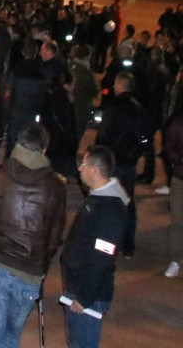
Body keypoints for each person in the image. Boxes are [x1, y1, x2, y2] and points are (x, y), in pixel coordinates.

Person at [0, 122, 66, 348]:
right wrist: (42, 263)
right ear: (44, 149)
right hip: (31, 271)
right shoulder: (55, 186)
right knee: (12, 334)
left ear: (18, 143)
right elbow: (55, 236)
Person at [60, 146, 130, 348]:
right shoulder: (97, 198)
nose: (79, 169)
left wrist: (84, 298)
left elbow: (102, 257)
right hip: (79, 286)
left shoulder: (109, 210)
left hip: (88, 296)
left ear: (94, 170)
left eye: (83, 165)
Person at [95, 71, 145, 257]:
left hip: (113, 160)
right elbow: (145, 136)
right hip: (129, 162)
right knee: (127, 201)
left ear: (120, 85)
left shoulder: (114, 107)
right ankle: (128, 244)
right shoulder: (139, 108)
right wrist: (137, 152)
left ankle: (107, 245)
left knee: (109, 203)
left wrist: (100, 153)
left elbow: (104, 134)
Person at [161, 98, 183, 278]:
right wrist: (178, 159)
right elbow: (168, 148)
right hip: (180, 178)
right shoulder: (178, 123)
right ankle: (176, 259)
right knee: (177, 221)